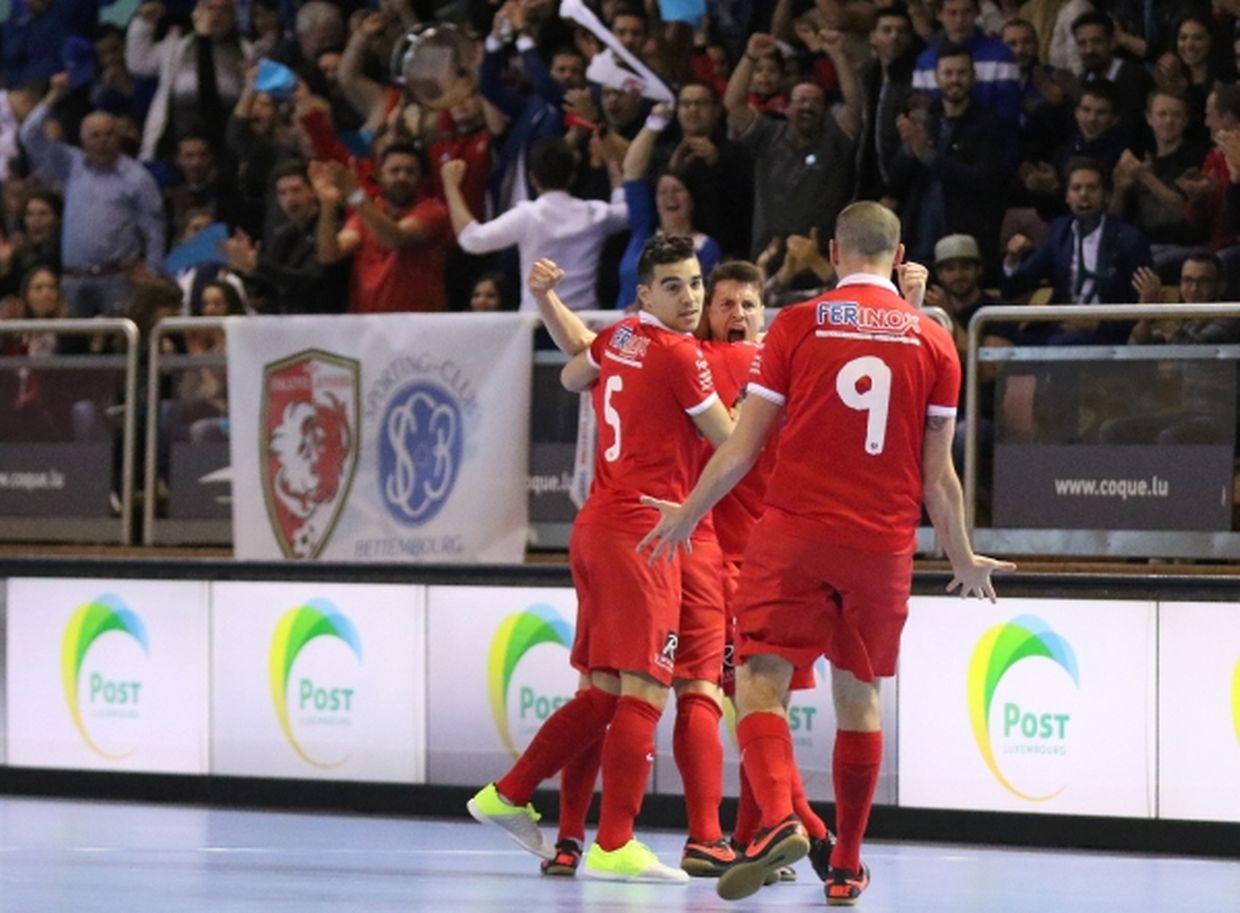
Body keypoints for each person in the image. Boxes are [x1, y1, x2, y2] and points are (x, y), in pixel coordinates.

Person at [639, 201, 1013, 904]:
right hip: (883, 542)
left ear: (835, 255)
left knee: (757, 680)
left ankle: (778, 814)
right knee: (858, 695)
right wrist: (963, 555)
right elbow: (941, 474)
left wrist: (689, 512)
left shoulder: (797, 325)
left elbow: (742, 447)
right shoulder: (934, 342)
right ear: (899, 257)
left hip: (795, 533)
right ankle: (844, 862)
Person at [467, 236, 735, 883]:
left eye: (695, 282)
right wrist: (693, 508)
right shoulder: (679, 352)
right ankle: (613, 841)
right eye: (673, 285)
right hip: (643, 531)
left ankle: (508, 795)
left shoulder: (619, 338)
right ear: (644, 293)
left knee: (605, 690)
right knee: (645, 686)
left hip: (598, 526)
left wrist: (545, 298)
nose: (691, 296)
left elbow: (572, 367)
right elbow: (732, 441)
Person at [19, 74, 166, 319]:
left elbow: (154, 229)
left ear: (118, 136)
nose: (102, 142)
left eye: (108, 134)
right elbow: (29, 135)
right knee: (71, 349)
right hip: (73, 278)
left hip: (117, 278)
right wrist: (53, 97)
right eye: (94, 136)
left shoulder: (137, 177)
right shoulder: (70, 165)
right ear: (82, 139)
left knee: (117, 348)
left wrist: (152, 271)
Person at [443, 136, 628, 312]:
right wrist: (616, 176)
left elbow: (472, 239)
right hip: (584, 325)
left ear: (532, 178)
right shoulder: (593, 213)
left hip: (540, 323)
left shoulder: (527, 216)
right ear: (572, 176)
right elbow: (626, 214)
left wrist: (451, 187)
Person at [313, 144, 452, 313]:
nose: (402, 177)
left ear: (421, 178)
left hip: (418, 324)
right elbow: (329, 254)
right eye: (394, 171)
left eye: (410, 172)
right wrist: (328, 204)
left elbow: (395, 238)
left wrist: (354, 193)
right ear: (379, 175)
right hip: (369, 324)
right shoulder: (368, 214)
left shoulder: (433, 211)